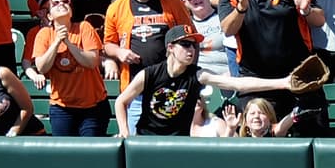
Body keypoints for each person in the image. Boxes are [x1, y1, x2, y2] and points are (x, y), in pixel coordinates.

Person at [218, 0, 328, 135]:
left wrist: (305, 10)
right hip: (258, 81)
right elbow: (228, 29)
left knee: (312, 136)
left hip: (298, 76)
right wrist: (241, 9)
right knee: (261, 142)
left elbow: (320, 20)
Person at [114, 24, 302, 136]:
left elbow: (238, 83)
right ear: (170, 47)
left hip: (178, 142)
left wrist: (282, 83)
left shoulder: (197, 75)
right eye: (185, 44)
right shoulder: (150, 74)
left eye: (194, 45)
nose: (191, 50)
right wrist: (124, 131)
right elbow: (121, 102)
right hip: (146, 140)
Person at [103, 0, 192, 133]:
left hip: (170, 89)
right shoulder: (116, 8)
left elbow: (191, 38)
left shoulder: (173, 3)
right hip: (135, 92)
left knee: (170, 144)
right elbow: (107, 44)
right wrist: (119, 53)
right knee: (137, 146)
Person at [31, 0, 109, 136]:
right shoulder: (44, 34)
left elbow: (92, 62)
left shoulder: (84, 28)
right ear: (49, 16)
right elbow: (42, 67)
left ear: (71, 12)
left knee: (89, 153)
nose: (62, 4)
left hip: (92, 106)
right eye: (55, 3)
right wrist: (56, 42)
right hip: (62, 107)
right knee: (63, 156)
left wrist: (68, 42)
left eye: (66, 2)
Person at [182, 0, 228, 77]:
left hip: (226, 74)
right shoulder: (184, 27)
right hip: (197, 77)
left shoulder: (225, 19)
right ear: (184, 2)